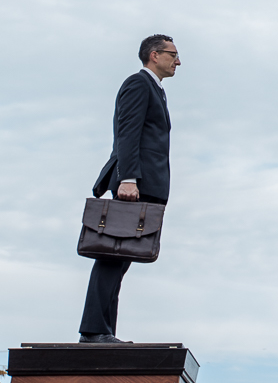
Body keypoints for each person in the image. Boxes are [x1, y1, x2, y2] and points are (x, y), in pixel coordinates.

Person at [79, 35, 180, 344]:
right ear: (154, 55)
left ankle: (103, 332)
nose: (178, 61)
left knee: (120, 260)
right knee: (111, 257)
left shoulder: (156, 90)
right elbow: (127, 132)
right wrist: (128, 178)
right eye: (172, 54)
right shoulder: (138, 84)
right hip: (135, 183)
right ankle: (94, 331)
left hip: (147, 184)